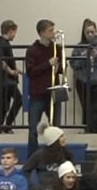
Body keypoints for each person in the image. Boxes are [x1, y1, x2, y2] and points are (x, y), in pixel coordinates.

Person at [26, 19, 63, 157]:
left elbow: (60, 70)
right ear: (42, 33)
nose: (53, 33)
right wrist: (48, 64)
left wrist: (59, 67)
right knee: (33, 129)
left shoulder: (56, 49)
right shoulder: (32, 50)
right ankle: (32, 158)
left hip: (53, 94)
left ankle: (56, 156)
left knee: (56, 128)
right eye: (50, 30)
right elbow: (31, 72)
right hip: (38, 94)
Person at [71, 19, 97, 134]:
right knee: (86, 109)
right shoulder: (79, 47)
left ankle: (95, 133)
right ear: (84, 33)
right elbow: (73, 64)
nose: (90, 35)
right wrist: (84, 57)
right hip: (82, 82)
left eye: (92, 32)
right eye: (88, 33)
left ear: (96, 31)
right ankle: (86, 131)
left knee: (95, 109)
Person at [0, 19, 22, 135]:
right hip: (7, 81)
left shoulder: (1, 43)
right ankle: (6, 126)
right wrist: (11, 72)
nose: (15, 35)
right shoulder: (2, 43)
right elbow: (0, 61)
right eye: (15, 32)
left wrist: (15, 70)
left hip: (5, 80)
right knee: (19, 99)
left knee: (4, 105)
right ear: (10, 31)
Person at [23, 124, 74, 189]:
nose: (65, 138)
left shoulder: (66, 154)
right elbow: (25, 170)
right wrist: (33, 187)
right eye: (61, 136)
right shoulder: (40, 154)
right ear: (54, 140)